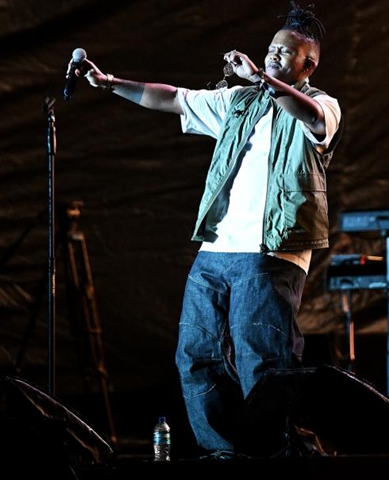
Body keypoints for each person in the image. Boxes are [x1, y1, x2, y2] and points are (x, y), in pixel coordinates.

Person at [70, 1, 342, 459]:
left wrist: (260, 77)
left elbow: (313, 119)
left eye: (285, 52)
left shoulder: (322, 105)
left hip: (270, 252)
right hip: (216, 250)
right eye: (272, 48)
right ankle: (222, 453)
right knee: (195, 355)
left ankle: (274, 455)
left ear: (308, 64)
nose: (273, 55)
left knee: (264, 363)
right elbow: (173, 97)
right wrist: (110, 83)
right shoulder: (237, 103)